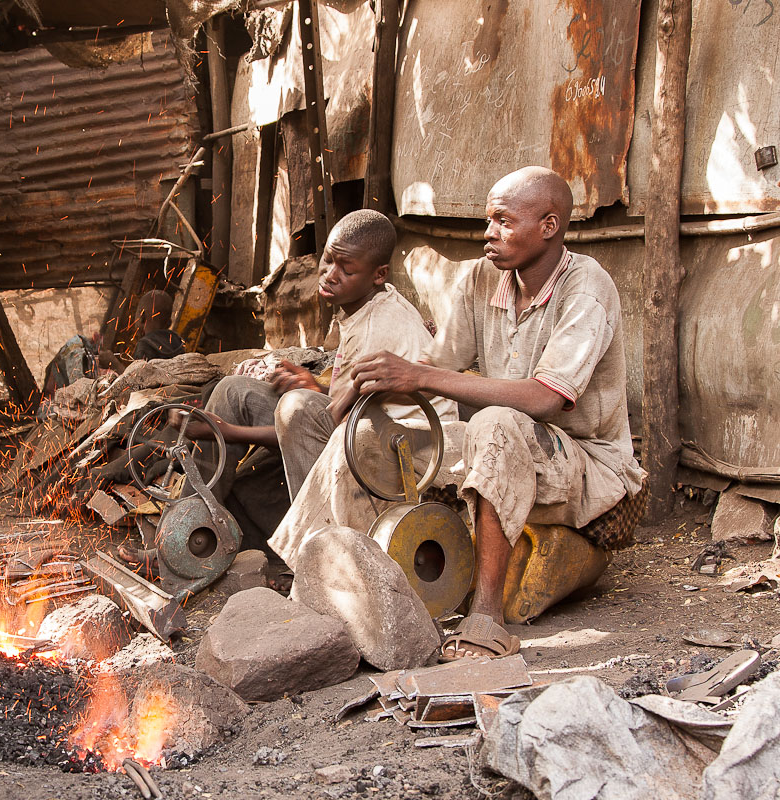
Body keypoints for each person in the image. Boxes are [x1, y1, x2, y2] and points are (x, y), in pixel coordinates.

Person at [286, 167, 643, 661]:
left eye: (503, 221)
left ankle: (486, 616)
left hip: (585, 463)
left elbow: (545, 399)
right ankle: (329, 586)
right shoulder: (481, 279)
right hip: (497, 445)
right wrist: (366, 386)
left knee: (495, 423)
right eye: (487, 220)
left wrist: (418, 376)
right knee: (366, 433)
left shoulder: (587, 289)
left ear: (549, 225)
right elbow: (435, 366)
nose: (488, 233)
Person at [180, 210, 458, 530]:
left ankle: (317, 550)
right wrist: (319, 387)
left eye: (346, 269)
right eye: (328, 260)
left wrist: (229, 432)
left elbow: (317, 426)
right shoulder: (367, 304)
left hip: (401, 453)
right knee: (232, 391)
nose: (330, 275)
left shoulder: (378, 328)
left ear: (379, 274)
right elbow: (354, 402)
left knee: (294, 410)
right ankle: (186, 528)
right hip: (363, 423)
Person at [99, 290, 186, 374]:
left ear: (142, 316)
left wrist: (113, 363)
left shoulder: (145, 345)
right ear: (169, 323)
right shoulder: (178, 342)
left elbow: (137, 383)